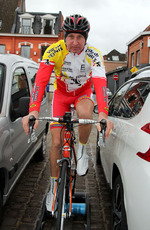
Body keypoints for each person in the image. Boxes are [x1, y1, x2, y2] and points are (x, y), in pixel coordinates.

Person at [22, 14, 114, 212]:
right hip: (61, 96)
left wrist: (104, 115)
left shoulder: (94, 54)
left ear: (86, 38)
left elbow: (100, 84)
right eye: (71, 36)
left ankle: (81, 150)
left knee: (85, 112)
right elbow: (40, 82)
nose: (74, 42)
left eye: (79, 37)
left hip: (82, 94)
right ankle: (54, 187)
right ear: (64, 36)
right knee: (56, 142)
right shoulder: (53, 51)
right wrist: (33, 111)